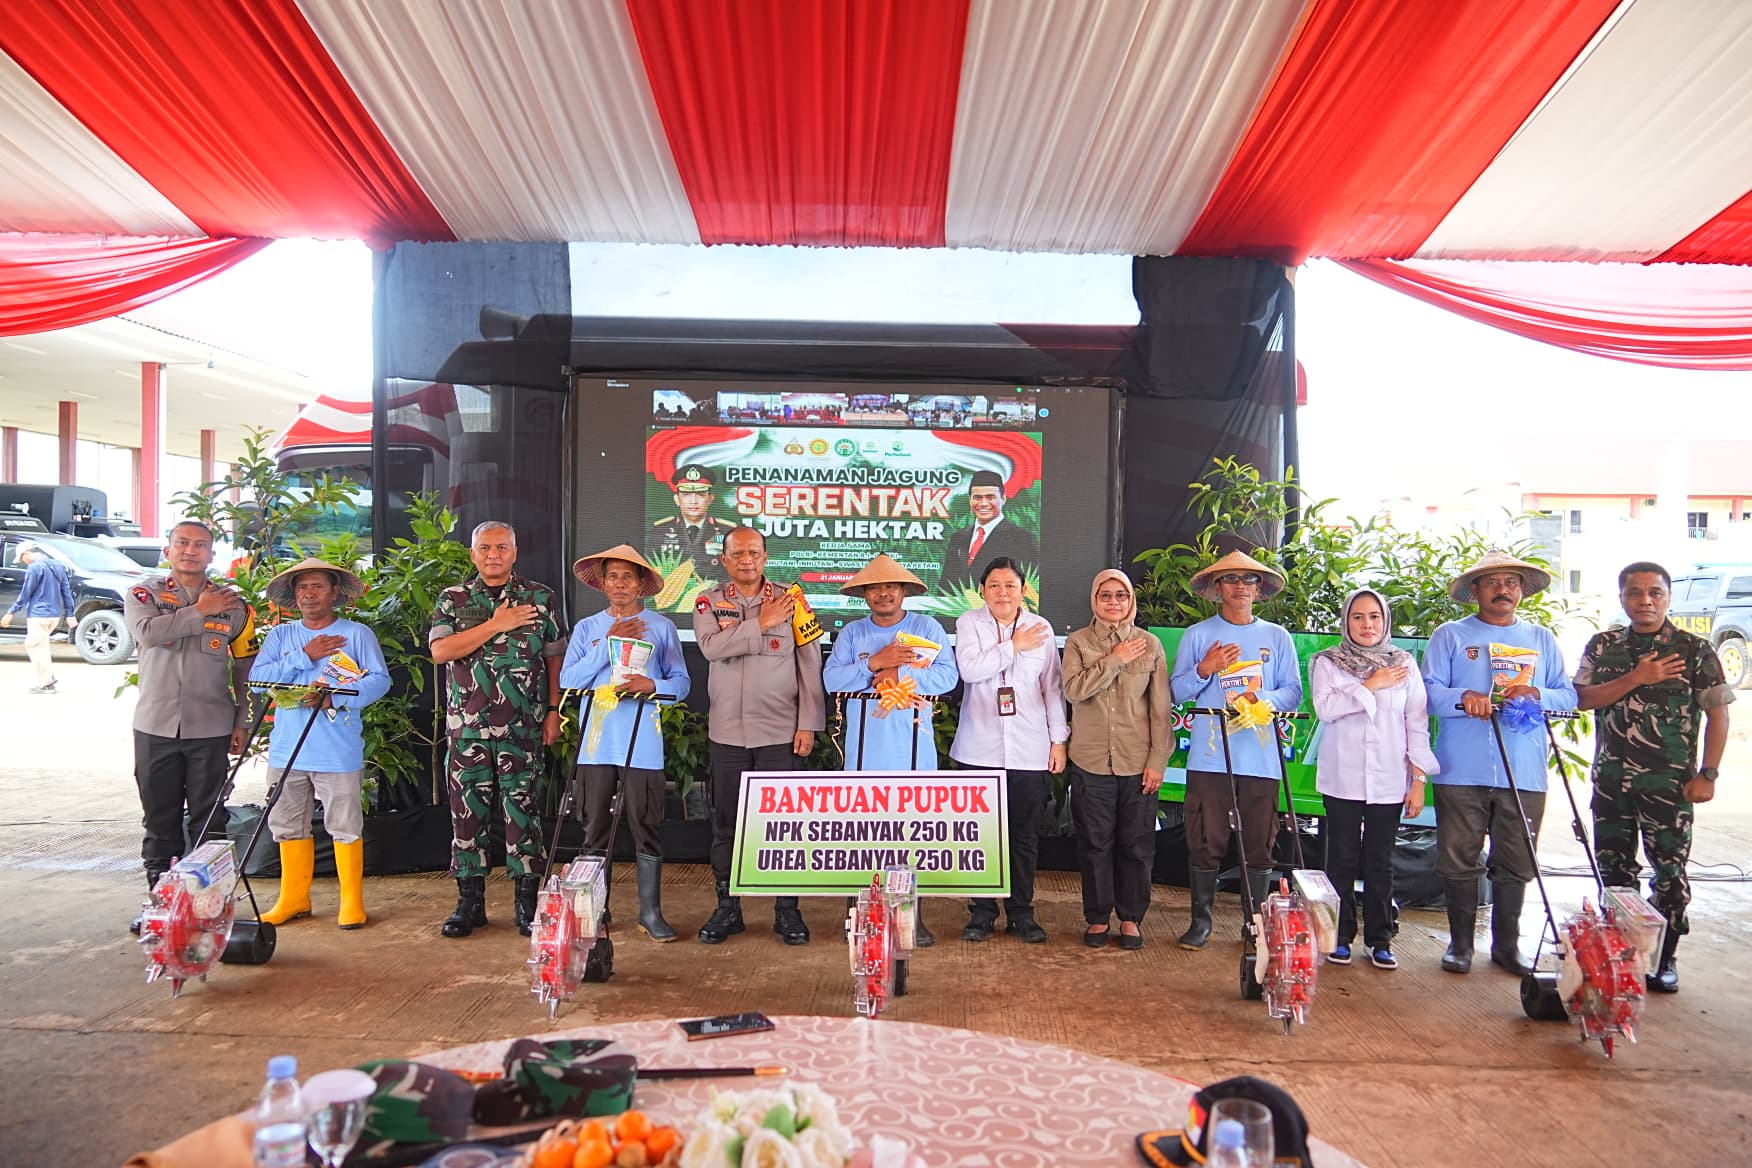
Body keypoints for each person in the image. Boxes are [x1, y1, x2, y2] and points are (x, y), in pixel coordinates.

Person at [1574, 561, 1732, 993]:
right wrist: (1637, 677)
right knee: (1614, 871)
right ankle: (1624, 958)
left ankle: (1664, 958)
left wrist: (1709, 775)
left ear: (1667, 596)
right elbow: (1583, 699)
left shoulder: (1693, 650)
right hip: (1611, 784)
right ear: (1622, 596)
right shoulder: (1603, 646)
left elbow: (1718, 715)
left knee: (1669, 874)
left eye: (1654, 592)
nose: (1644, 600)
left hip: (1669, 786)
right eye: (1634, 592)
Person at [1422, 551, 1577, 975]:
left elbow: (1568, 696)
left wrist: (1536, 694)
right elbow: (1427, 693)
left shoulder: (1542, 638)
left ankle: (1507, 947)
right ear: (1475, 591)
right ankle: (1460, 946)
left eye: (1511, 582)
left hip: (1523, 770)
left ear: (1522, 590)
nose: (1503, 589)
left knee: (1516, 859)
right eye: (1492, 582)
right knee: (1458, 856)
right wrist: (1462, 697)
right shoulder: (1450, 636)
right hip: (1460, 768)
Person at [429, 522, 566, 940]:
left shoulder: (540, 598)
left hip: (522, 727)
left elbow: (554, 659)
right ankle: (469, 903)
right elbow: (441, 651)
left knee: (522, 815)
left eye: (501, 547)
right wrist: (496, 624)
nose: (493, 554)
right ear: (472, 554)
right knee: (466, 818)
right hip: (467, 730)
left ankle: (528, 903)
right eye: (485, 547)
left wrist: (554, 710)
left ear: (514, 552)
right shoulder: (453, 599)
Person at [121, 520, 256, 934]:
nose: (191, 551)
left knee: (209, 823)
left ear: (212, 554)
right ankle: (161, 907)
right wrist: (198, 612)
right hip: (155, 727)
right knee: (159, 822)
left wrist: (242, 720)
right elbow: (146, 633)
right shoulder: (144, 594)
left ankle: (204, 907)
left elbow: (244, 667)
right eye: (182, 543)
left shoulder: (236, 606)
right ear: (168, 550)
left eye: (201, 545)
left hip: (211, 727)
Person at [693, 526, 825, 946]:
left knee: (784, 826)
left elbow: (809, 662)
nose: (746, 560)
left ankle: (787, 911)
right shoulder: (709, 600)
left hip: (780, 732)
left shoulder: (793, 599)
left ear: (765, 557)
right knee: (726, 825)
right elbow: (711, 648)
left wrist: (809, 722)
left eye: (754, 552)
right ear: (725, 560)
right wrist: (761, 623)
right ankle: (727, 908)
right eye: (738, 554)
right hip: (728, 732)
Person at [1169, 550, 1303, 953]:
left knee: (1260, 841)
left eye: (1248, 580)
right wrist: (1205, 669)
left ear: (1259, 589)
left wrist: (1260, 698)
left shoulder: (1277, 637)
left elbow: (1293, 691)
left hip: (1261, 757)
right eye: (1231, 580)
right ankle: (1201, 921)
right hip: (1210, 758)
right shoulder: (1197, 635)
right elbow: (1177, 692)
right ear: (1217, 589)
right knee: (1205, 836)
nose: (1240, 587)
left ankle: (1255, 923)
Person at [823, 552, 961, 945]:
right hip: (863, 751)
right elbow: (832, 679)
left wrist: (898, 672)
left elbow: (947, 676)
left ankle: (909, 920)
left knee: (910, 835)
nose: (883, 593)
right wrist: (873, 665)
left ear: (903, 591)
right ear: (865, 593)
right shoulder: (852, 634)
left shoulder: (927, 627)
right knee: (860, 833)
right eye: (875, 587)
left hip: (913, 748)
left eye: (891, 586)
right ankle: (861, 916)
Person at [248, 558, 390, 929]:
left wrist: (335, 698)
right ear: (294, 596)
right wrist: (304, 656)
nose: (309, 594)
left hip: (337, 749)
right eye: (302, 588)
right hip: (287, 749)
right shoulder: (281, 636)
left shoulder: (357, 634)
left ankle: (351, 902)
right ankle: (294, 898)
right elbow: (258, 679)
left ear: (335, 592)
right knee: (287, 823)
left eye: (317, 587)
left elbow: (380, 681)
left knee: (344, 824)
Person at [560, 545, 692, 942]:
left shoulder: (662, 627)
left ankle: (650, 913)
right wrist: (608, 640)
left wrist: (653, 684)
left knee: (646, 823)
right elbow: (569, 680)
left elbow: (682, 683)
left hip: (642, 741)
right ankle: (594, 909)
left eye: (628, 577)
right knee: (594, 827)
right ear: (602, 583)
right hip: (597, 742)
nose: (620, 584)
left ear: (640, 585)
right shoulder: (587, 628)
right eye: (612, 576)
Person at [1309, 589, 1438, 971]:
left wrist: (1418, 780)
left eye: (1375, 617)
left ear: (1385, 622)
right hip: (1342, 776)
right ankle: (1340, 937)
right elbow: (1325, 709)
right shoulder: (1328, 662)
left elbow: (1416, 724)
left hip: (1389, 777)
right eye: (1358, 617)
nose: (1367, 625)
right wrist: (1370, 685)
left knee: (1381, 861)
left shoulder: (1403, 665)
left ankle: (1380, 939)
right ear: (1346, 622)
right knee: (1341, 859)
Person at [951, 556, 1067, 944]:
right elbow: (969, 670)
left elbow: (1051, 687)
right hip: (978, 748)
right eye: (995, 585)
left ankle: (1021, 912)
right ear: (982, 590)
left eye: (1011, 586)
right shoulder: (969, 623)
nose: (1003, 592)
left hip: (1030, 748)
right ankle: (981, 912)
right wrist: (1012, 646)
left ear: (1023, 591)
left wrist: (1058, 740)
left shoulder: (1042, 627)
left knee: (1024, 835)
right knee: (981, 836)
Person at [1063, 569, 1169, 949]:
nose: (1113, 603)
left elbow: (1160, 709)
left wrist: (1158, 760)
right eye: (1105, 596)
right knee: (1094, 843)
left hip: (1138, 762)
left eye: (1120, 596)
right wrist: (1114, 659)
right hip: (1091, 761)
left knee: (1137, 844)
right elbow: (1074, 691)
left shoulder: (1150, 644)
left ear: (1130, 601)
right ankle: (1096, 917)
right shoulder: (1078, 642)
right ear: (1094, 600)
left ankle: (1130, 917)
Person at [938, 470, 1038, 592]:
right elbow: (945, 586)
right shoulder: (958, 538)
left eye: (990, 497)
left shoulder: (1022, 539)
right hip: (957, 610)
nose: (983, 503)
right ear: (970, 500)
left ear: (1003, 499)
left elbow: (1028, 587)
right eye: (977, 497)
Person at [2, 541, 75, 693]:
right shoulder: (58, 565)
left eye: (22, 558)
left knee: (36, 648)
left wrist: (11, 613)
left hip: (38, 615)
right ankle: (47, 675)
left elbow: (25, 593)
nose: (22, 562)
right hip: (54, 616)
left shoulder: (34, 568)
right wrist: (70, 613)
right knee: (40, 646)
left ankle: (45, 683)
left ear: (27, 553)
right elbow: (66, 591)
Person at [648, 464, 739, 578]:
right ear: (677, 499)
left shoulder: (727, 532)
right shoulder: (660, 530)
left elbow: (735, 573)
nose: (693, 501)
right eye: (686, 495)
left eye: (700, 495)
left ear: (710, 499)